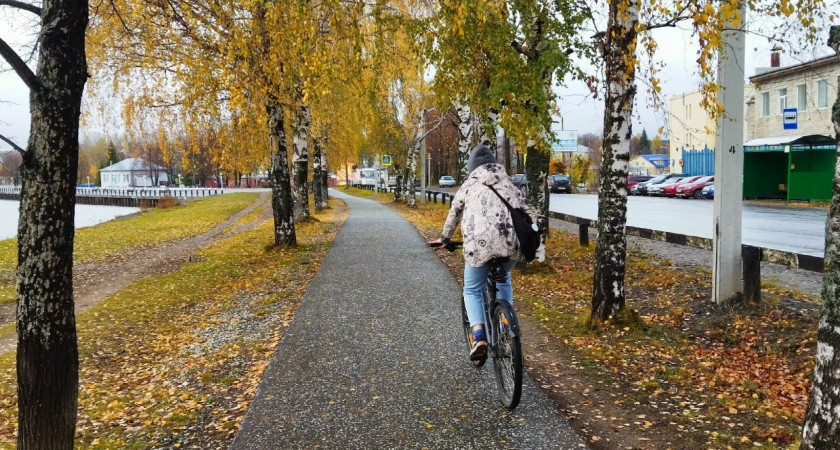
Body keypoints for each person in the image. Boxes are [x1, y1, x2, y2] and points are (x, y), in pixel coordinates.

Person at [429, 144, 539, 360]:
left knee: (471, 289)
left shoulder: (468, 186)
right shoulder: (508, 182)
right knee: (504, 277)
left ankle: (479, 336)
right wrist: (534, 232)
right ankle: (506, 325)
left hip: (478, 247)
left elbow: (454, 213)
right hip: (509, 245)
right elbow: (531, 210)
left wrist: (445, 239)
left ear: (473, 167)